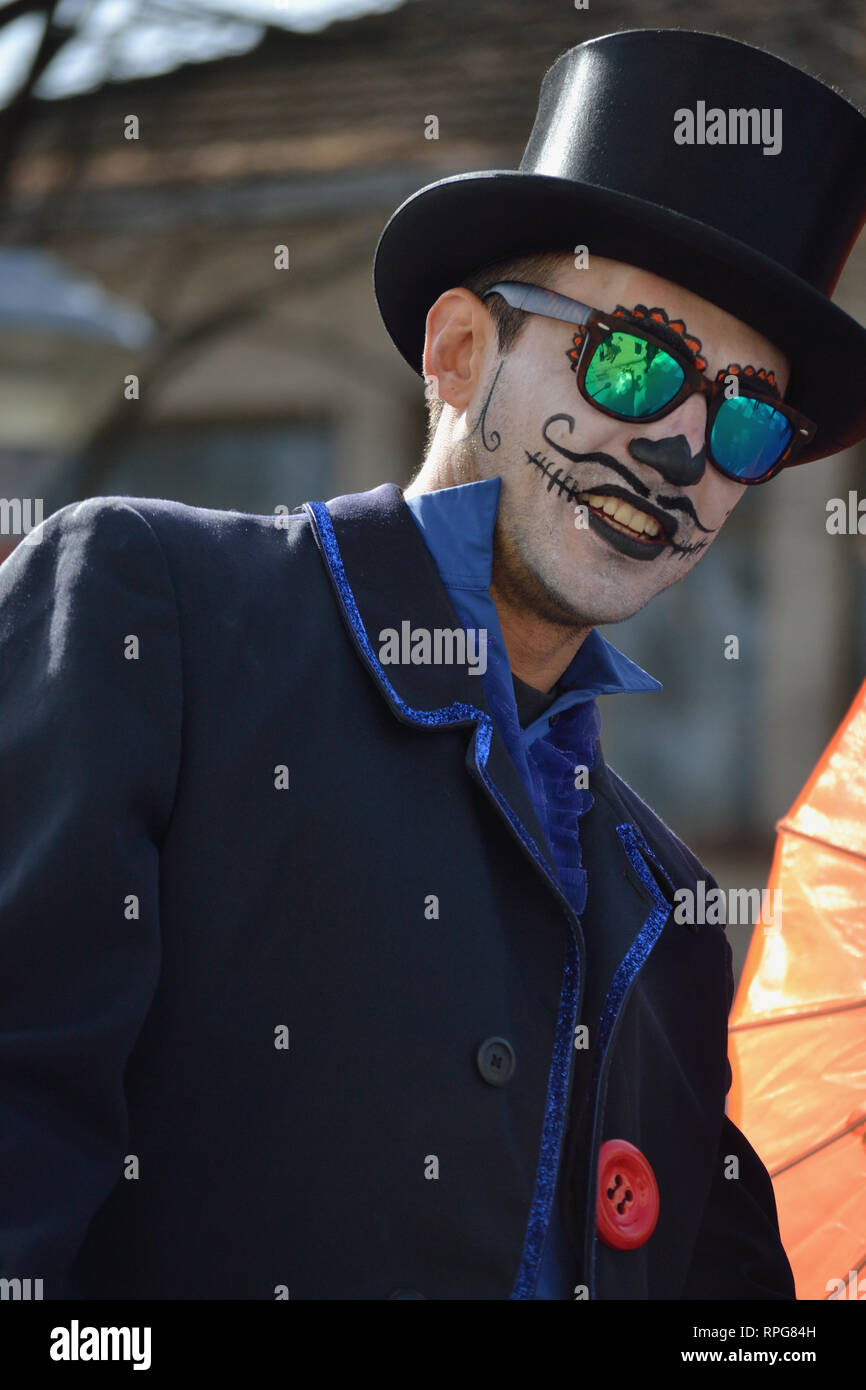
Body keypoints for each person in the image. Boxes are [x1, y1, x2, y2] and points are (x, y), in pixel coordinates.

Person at [2, 28, 865, 1301]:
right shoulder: (158, 617)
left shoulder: (667, 915)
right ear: (459, 351)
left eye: (743, 418)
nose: (681, 453)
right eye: (636, 360)